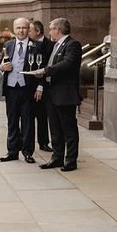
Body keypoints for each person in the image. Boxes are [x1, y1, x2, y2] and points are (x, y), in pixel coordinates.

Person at [29, 17, 82, 172]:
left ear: (58, 30)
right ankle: (57, 158)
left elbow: (67, 64)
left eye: (51, 28)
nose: (49, 30)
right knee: (55, 129)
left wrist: (45, 71)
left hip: (65, 94)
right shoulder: (55, 45)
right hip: (52, 93)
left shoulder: (72, 44)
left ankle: (71, 160)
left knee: (68, 129)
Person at [0, 18, 41, 164]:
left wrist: (40, 86)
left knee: (28, 121)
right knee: (12, 121)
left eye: (24, 28)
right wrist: (2, 68)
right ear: (14, 29)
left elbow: (42, 67)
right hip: (11, 89)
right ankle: (12, 151)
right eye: (18, 28)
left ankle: (28, 152)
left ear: (29, 29)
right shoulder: (8, 45)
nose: (21, 31)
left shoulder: (36, 46)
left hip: (28, 89)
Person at [29, 20, 54, 152]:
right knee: (27, 116)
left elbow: (47, 67)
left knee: (42, 116)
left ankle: (43, 142)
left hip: (43, 87)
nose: (28, 33)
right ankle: (26, 142)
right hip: (28, 86)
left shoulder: (51, 46)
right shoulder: (28, 44)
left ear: (38, 32)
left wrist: (40, 86)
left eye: (30, 30)